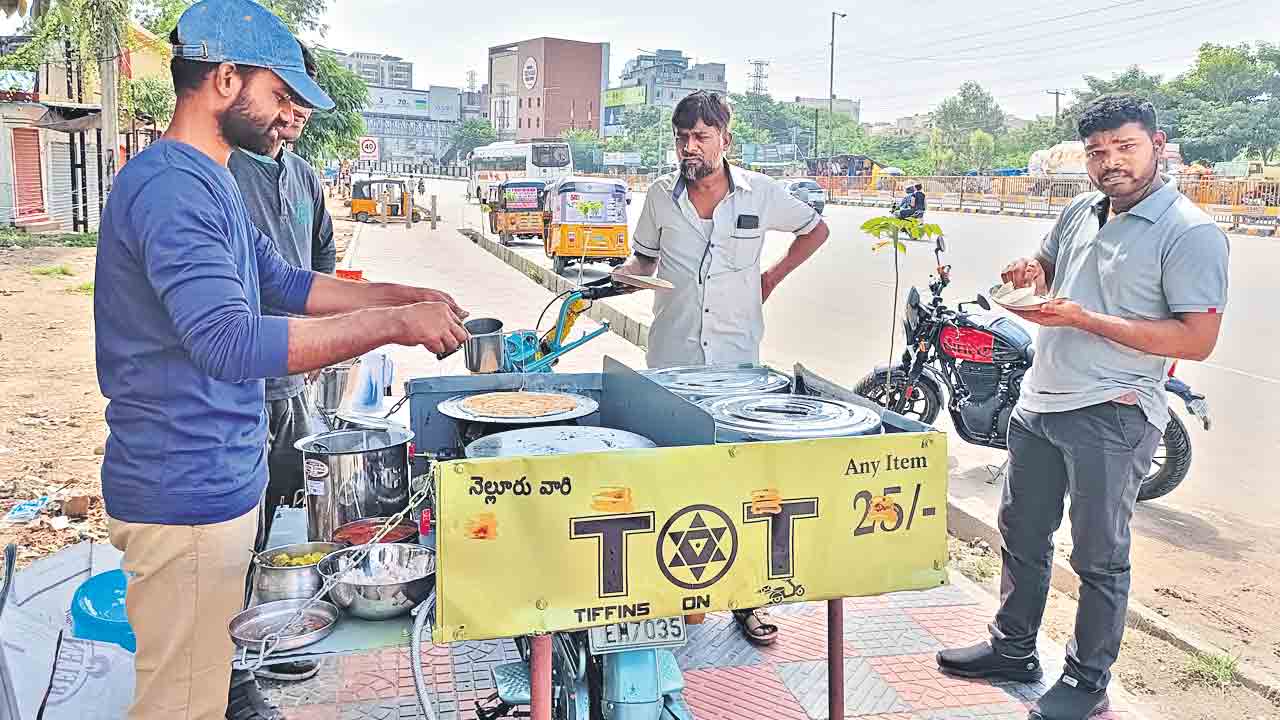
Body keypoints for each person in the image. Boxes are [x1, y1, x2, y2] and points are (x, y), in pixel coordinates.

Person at [94, 1, 469, 718]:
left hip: (214, 480)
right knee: (184, 703)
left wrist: (405, 293)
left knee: (197, 686)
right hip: (184, 491)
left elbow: (286, 282)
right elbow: (230, 342)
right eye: (279, 93)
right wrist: (392, 324)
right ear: (226, 80)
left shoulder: (215, 177)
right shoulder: (173, 187)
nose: (288, 113)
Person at [936, 94, 1229, 720]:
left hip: (1114, 410)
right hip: (1041, 400)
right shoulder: (1080, 209)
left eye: (1125, 147)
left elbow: (1198, 339)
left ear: (1158, 144)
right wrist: (1032, 269)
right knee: (1021, 533)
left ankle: (1086, 679)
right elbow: (1048, 263)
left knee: (1097, 554)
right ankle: (1012, 648)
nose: (1110, 162)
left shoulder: (1188, 230)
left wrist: (1087, 320)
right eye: (1097, 152)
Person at [616, 91, 830, 646]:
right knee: (673, 476)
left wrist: (772, 278)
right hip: (673, 362)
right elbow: (645, 257)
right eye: (682, 138)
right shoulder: (661, 198)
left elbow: (816, 231)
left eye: (701, 137)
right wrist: (627, 272)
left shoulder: (760, 193)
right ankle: (676, 594)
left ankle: (746, 600)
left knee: (742, 482)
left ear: (724, 140)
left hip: (737, 366)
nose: (690, 148)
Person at [226, 41, 333, 685]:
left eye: (301, 103)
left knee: (291, 510)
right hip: (239, 377)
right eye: (283, 97)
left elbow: (314, 269)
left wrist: (330, 333)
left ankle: (277, 632)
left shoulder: (304, 177)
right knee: (240, 523)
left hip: (296, 374)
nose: (292, 113)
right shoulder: (218, 172)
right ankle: (235, 658)